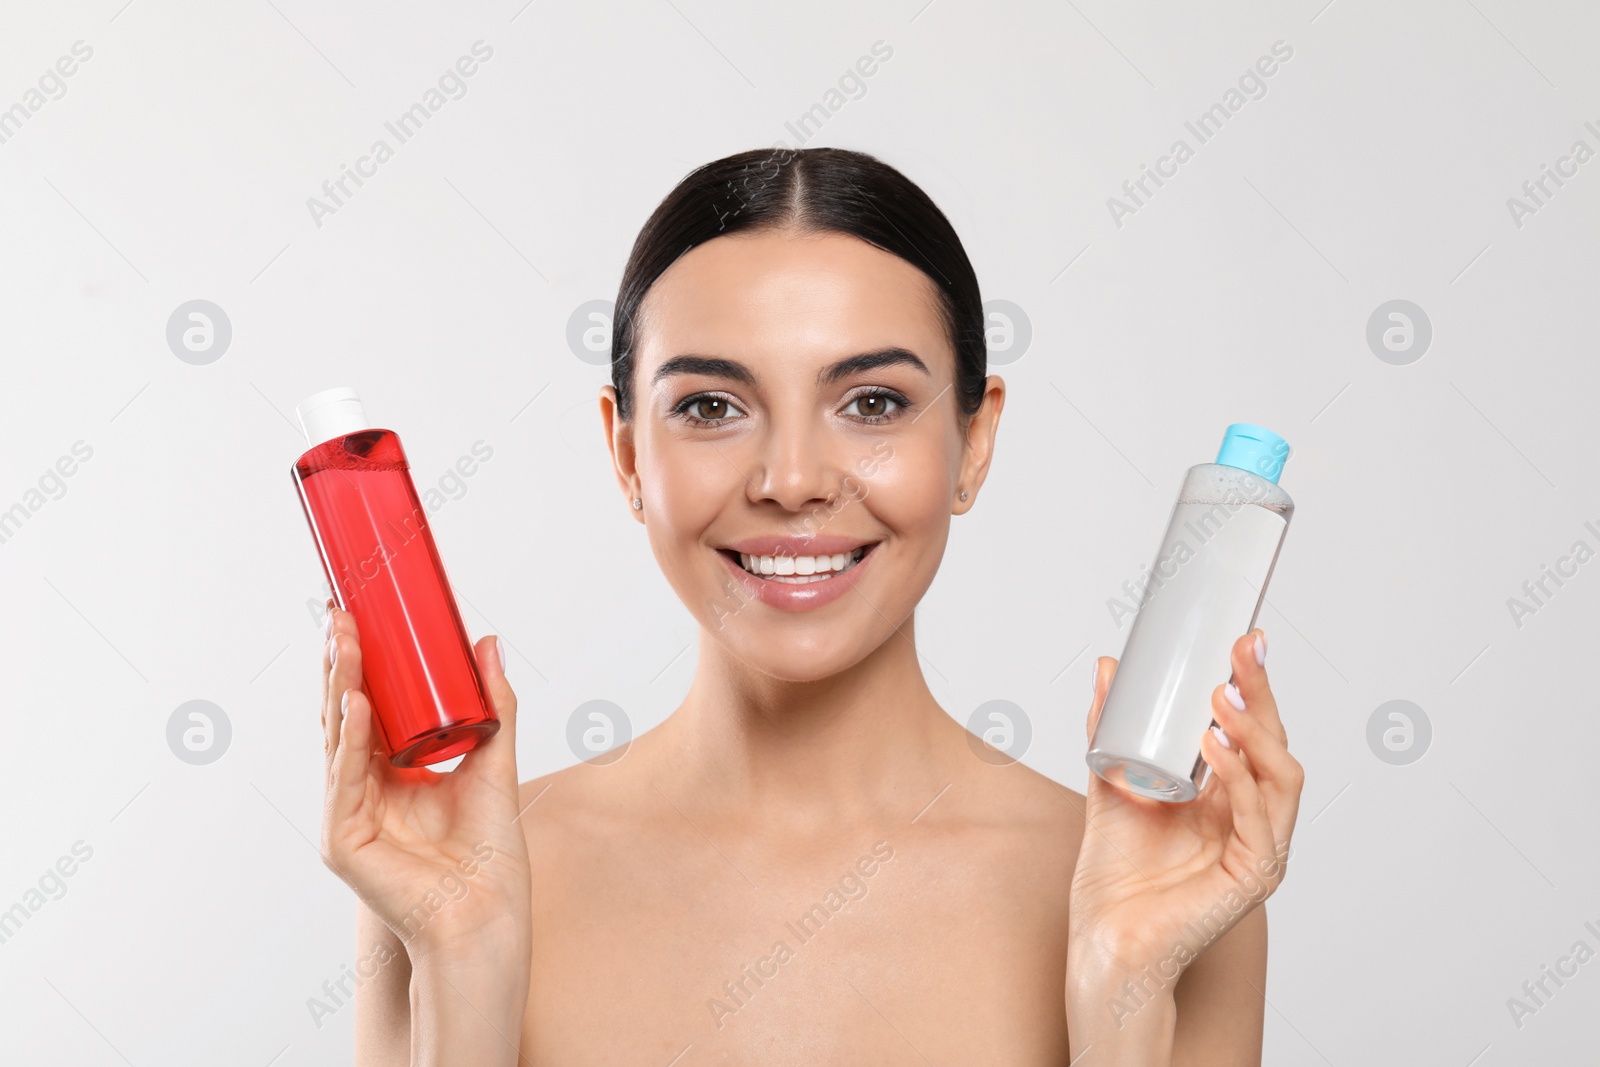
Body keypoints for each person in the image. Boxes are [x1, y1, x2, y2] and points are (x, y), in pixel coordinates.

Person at [317, 146, 1304, 1065]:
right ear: (625, 454)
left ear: (976, 439)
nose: (791, 479)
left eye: (871, 401)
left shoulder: (1161, 892)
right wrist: (468, 956)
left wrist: (1120, 984)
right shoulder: (464, 877)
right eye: (710, 405)